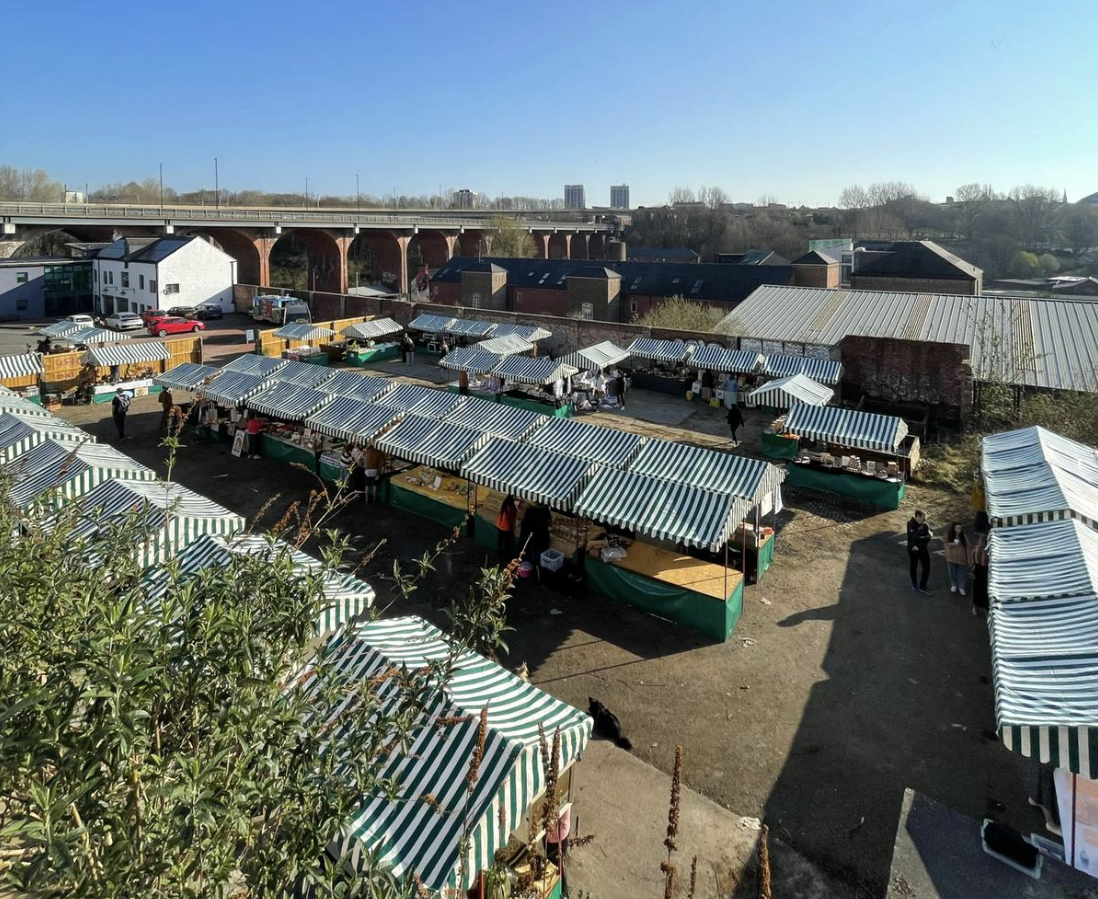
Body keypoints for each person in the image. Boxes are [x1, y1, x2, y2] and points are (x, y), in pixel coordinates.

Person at [546, 802, 572, 898]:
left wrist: (553, 834)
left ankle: (563, 894)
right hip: (549, 837)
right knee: (550, 867)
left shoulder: (564, 794)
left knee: (558, 870)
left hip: (558, 839)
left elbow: (565, 824)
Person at [907, 510, 932, 594]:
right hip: (912, 549)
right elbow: (915, 537)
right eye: (923, 517)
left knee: (927, 567)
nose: (924, 519)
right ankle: (914, 584)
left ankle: (922, 585)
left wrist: (919, 544)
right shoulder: (910, 524)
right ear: (917, 516)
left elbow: (928, 538)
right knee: (914, 566)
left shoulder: (925, 525)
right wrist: (926, 537)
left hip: (921, 548)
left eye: (925, 517)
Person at [944, 522, 970, 596]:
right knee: (952, 573)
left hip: (961, 559)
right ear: (953, 529)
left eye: (960, 528)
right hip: (951, 559)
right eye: (958, 528)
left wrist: (969, 557)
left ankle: (961, 587)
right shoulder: (949, 536)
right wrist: (951, 544)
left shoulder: (963, 537)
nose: (959, 530)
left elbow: (968, 548)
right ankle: (954, 585)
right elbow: (945, 544)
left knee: (962, 574)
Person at [971, 532, 989, 617]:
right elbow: (973, 560)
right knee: (983, 591)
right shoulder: (987, 549)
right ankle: (981, 609)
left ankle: (977, 608)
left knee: (979, 591)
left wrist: (972, 569)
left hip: (980, 571)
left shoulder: (978, 548)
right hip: (983, 571)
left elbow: (972, 561)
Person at [496, 494, 518, 560]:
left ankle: (500, 553)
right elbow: (511, 518)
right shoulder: (510, 507)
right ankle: (506, 554)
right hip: (506, 527)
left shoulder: (504, 504)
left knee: (500, 541)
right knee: (507, 542)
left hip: (500, 525)